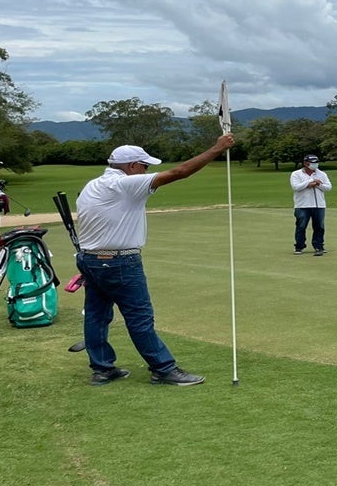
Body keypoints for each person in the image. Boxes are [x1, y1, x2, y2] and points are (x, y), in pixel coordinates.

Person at [74, 135, 235, 387]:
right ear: (131, 167)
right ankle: (163, 368)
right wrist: (218, 148)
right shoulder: (125, 184)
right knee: (139, 317)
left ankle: (102, 369)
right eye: (144, 166)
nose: (147, 171)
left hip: (90, 259)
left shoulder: (92, 185)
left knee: (96, 315)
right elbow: (180, 172)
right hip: (119, 262)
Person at [290, 155, 332, 256]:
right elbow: (296, 187)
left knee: (319, 227)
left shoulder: (321, 174)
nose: (315, 164)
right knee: (301, 226)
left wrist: (318, 184)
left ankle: (319, 246)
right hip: (302, 205)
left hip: (319, 205)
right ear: (305, 163)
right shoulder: (296, 174)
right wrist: (309, 182)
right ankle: (299, 246)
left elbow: (328, 187)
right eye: (312, 163)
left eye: (316, 162)